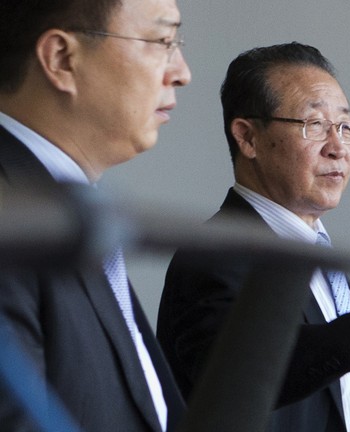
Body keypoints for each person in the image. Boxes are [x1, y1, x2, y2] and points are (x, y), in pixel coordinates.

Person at [157, 42, 350, 432]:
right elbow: (235, 382)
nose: (338, 147)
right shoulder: (214, 254)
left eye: (345, 126)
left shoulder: (322, 260)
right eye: (316, 125)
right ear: (248, 138)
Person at [0, 0, 191, 431]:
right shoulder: (12, 221)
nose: (182, 71)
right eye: (162, 41)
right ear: (62, 59)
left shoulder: (72, 208)